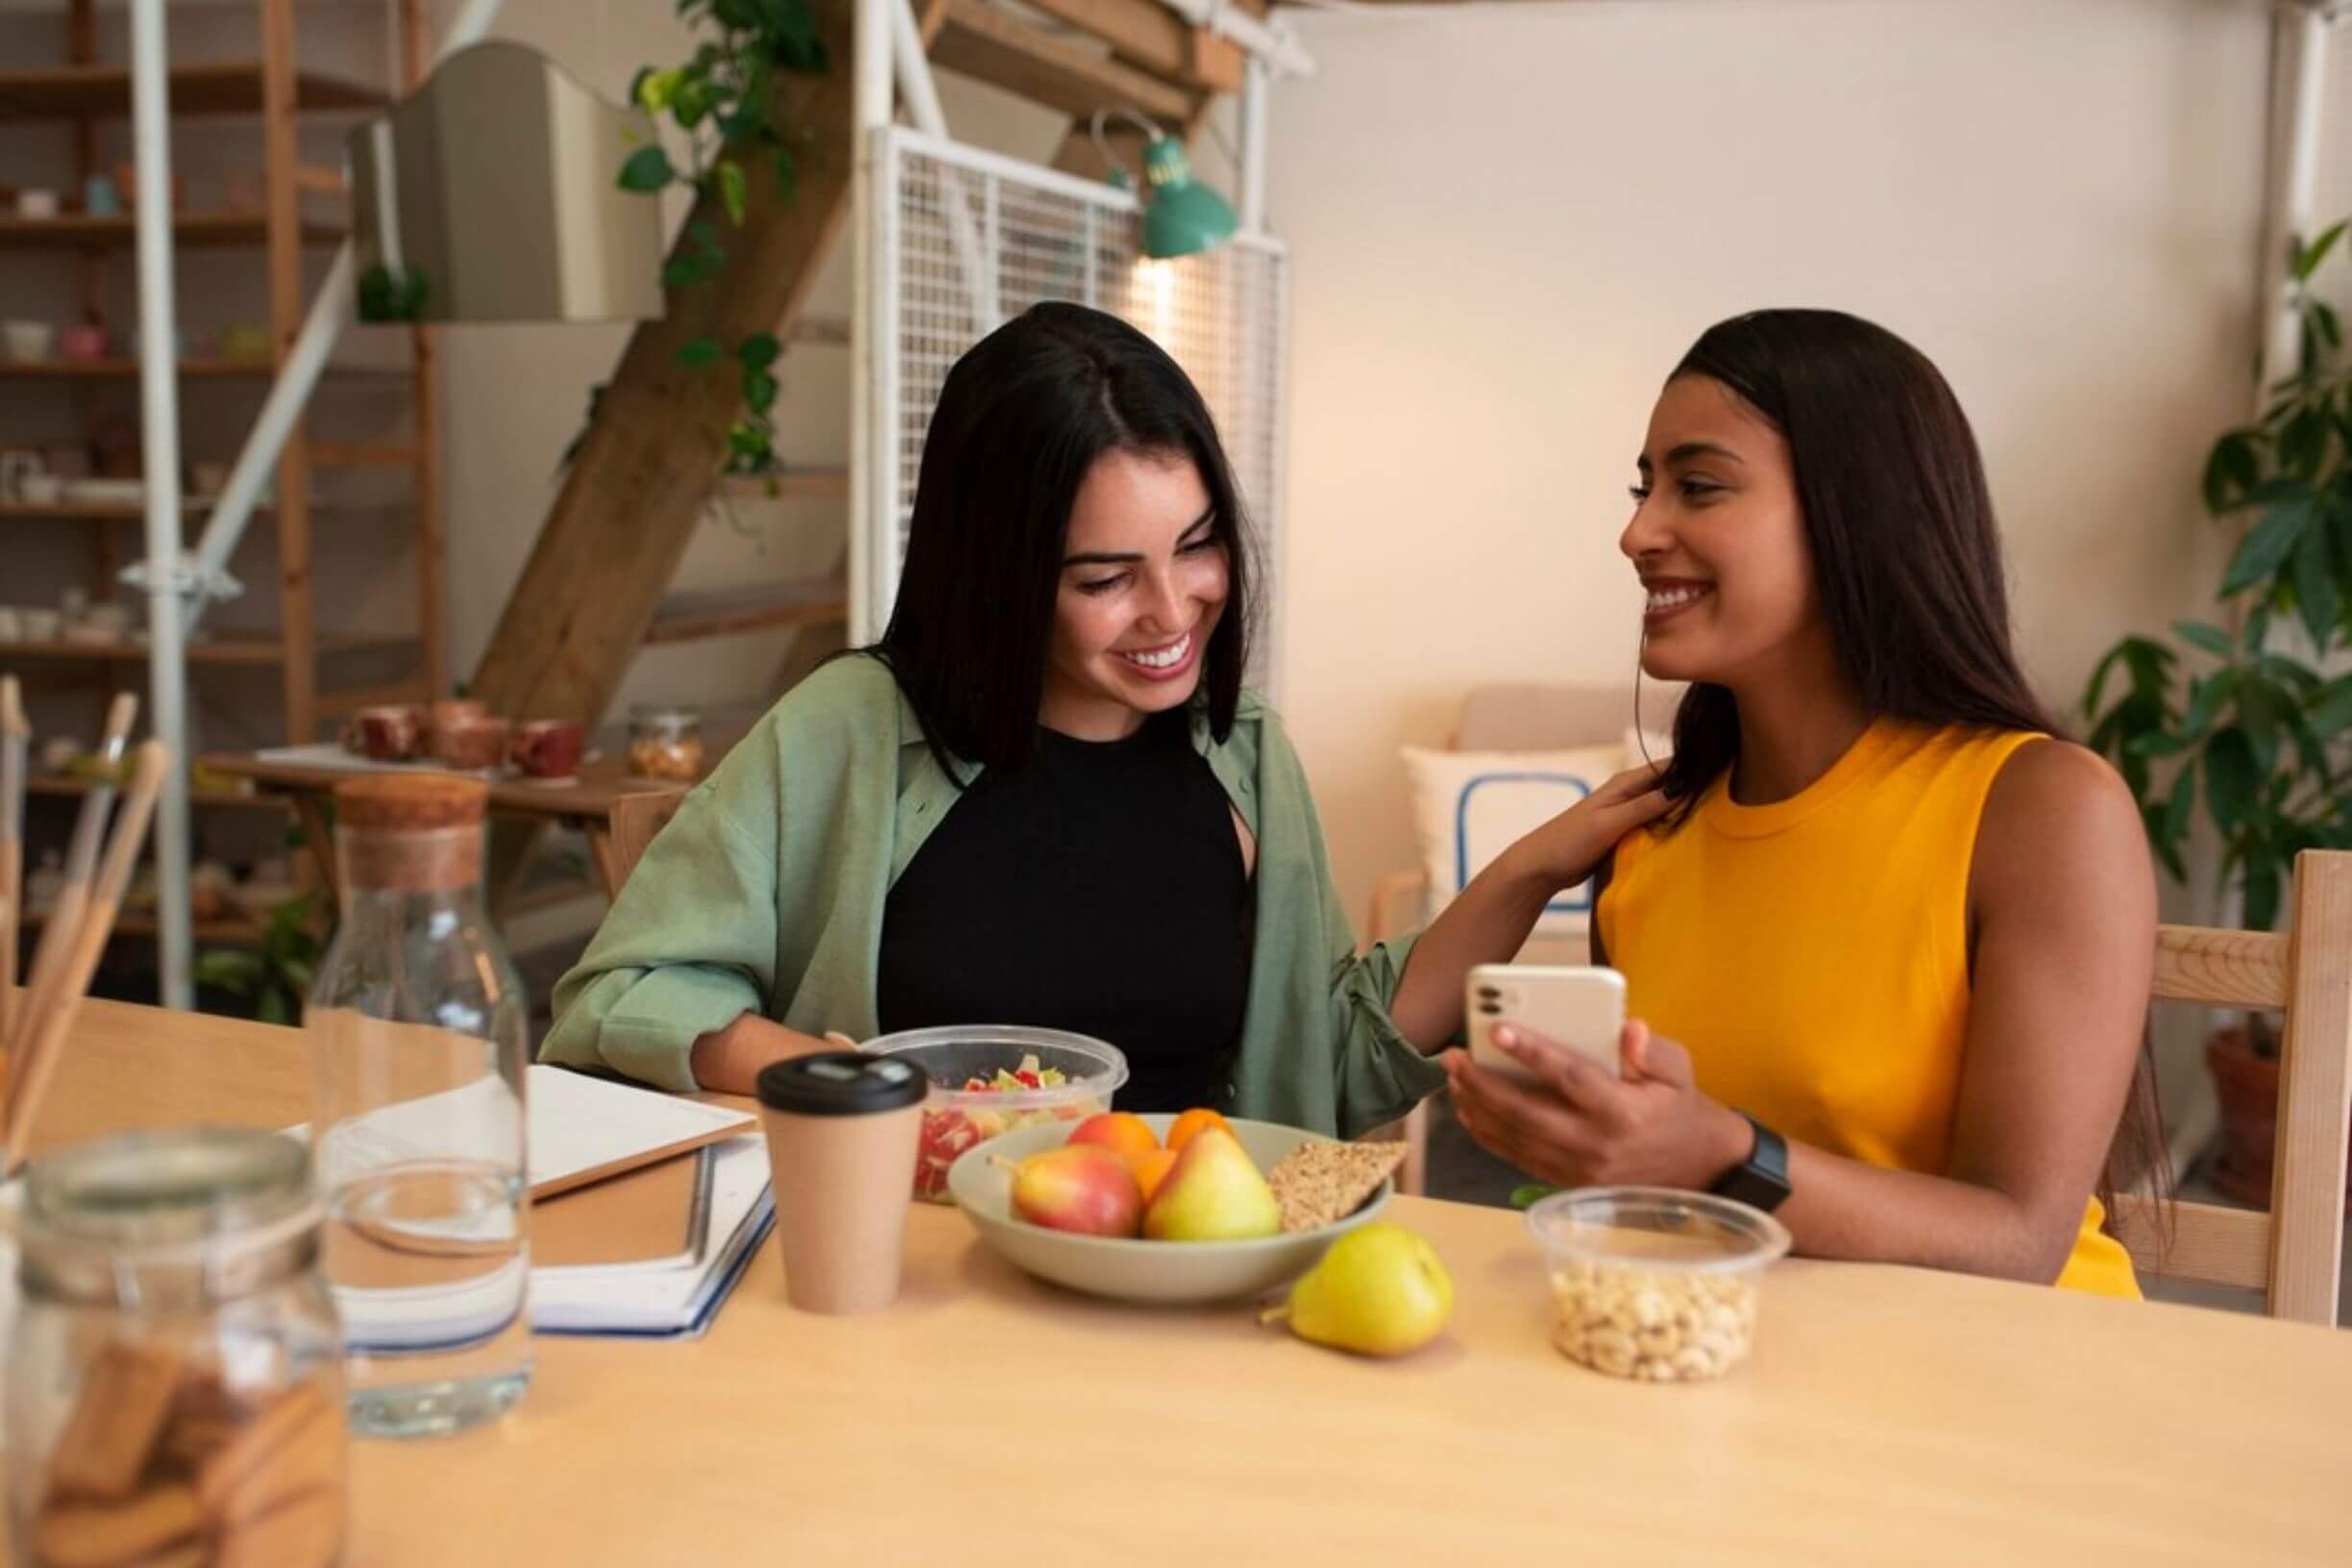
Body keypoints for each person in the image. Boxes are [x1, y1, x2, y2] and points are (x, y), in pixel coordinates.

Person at [543, 302, 1664, 1137]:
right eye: (1104, 578)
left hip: (1185, 1272)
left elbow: (1328, 1056)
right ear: (999, 576)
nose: (1173, 614)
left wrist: (1531, 868)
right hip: (910, 1272)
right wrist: (866, 1091)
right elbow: (625, 997)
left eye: (1198, 545)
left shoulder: (1243, 751)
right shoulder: (852, 730)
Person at [1447, 308, 2161, 1295]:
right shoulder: (1654, 836)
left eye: (1697, 486)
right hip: (1739, 1373)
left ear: (1854, 513)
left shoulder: (2041, 809)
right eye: (1644, 487)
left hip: (2011, 1391)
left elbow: (2020, 1241)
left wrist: (1721, 1154)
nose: (1638, 532)